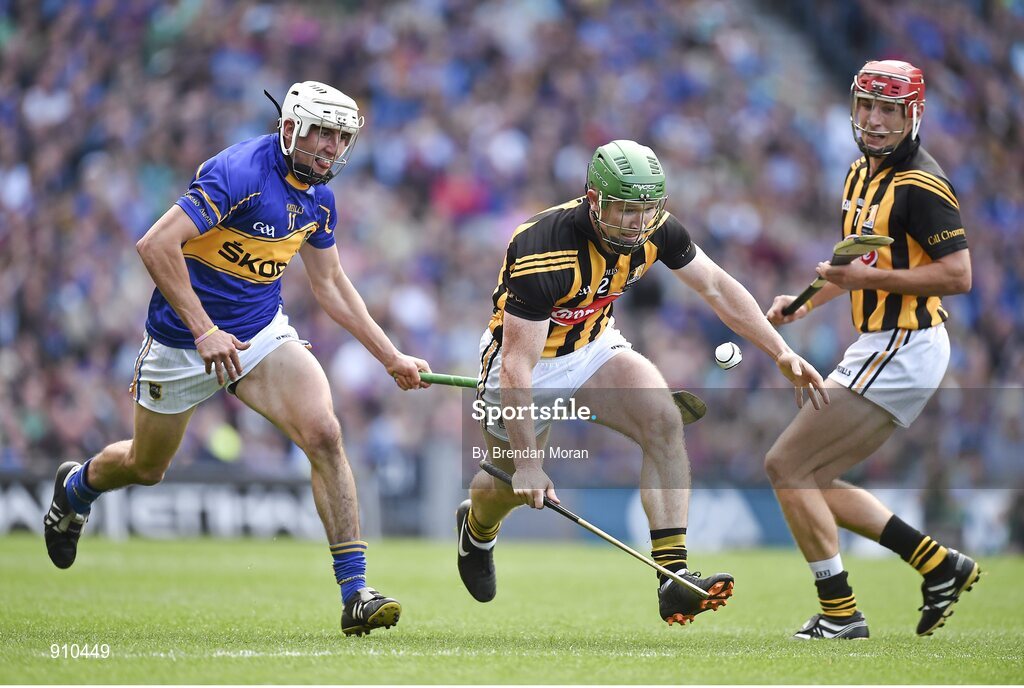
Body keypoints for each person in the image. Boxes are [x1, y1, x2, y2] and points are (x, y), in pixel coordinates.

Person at [42, 81, 431, 637]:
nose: (330, 147)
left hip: (260, 336)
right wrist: (203, 331)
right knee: (146, 468)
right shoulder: (240, 173)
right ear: (291, 127)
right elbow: (155, 245)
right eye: (321, 132)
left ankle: (356, 594)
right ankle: (75, 488)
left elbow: (331, 285)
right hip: (181, 341)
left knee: (323, 432)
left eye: (340, 137)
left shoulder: (320, 196)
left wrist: (389, 355)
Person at [456, 139, 829, 626]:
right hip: (528, 362)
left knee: (663, 420)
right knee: (506, 486)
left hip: (592, 347)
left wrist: (781, 351)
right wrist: (528, 464)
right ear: (595, 200)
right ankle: (477, 528)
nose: (637, 222)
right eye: (625, 210)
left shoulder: (659, 231)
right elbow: (516, 367)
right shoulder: (541, 246)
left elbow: (716, 285)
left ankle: (673, 579)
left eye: (647, 209)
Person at [764, 60, 978, 640]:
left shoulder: (921, 184)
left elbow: (958, 275)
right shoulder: (860, 173)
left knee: (786, 466)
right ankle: (939, 564)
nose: (875, 120)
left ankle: (841, 615)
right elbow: (855, 264)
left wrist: (869, 283)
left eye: (890, 110)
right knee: (813, 479)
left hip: (904, 343)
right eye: (867, 106)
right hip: (886, 343)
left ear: (914, 116)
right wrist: (804, 303)